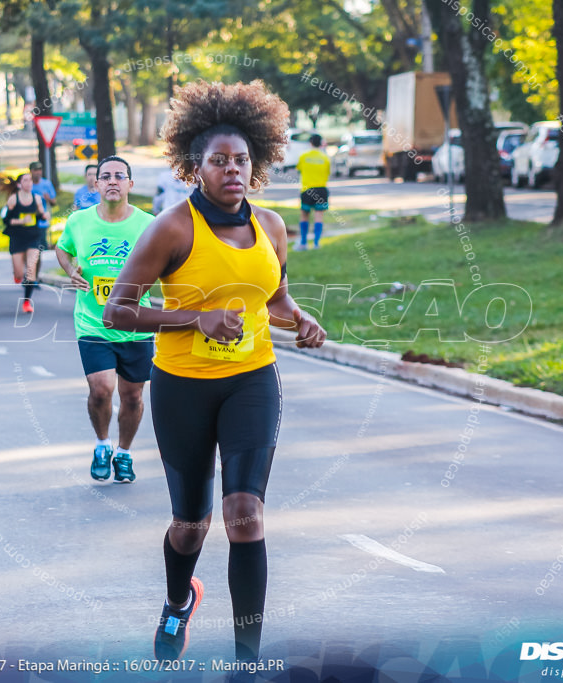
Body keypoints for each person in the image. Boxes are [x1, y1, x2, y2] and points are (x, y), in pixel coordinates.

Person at [102, 81, 326, 663]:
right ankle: (179, 602)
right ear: (194, 167)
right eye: (219, 161)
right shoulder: (172, 229)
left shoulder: (272, 227)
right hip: (182, 388)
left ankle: (246, 660)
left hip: (253, 379)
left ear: (257, 163)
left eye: (241, 160)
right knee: (192, 525)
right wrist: (194, 319)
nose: (232, 169)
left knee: (244, 516)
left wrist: (299, 320)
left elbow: (273, 299)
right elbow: (118, 310)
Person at [55, 156, 155, 485]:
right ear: (96, 184)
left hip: (136, 325)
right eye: (105, 177)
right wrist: (71, 271)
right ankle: (102, 444)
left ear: (130, 184)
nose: (112, 181)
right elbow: (63, 249)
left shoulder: (148, 224)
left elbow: (165, 261)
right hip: (92, 322)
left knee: (133, 397)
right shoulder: (79, 222)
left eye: (119, 176)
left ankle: (124, 452)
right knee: (101, 390)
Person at [1, 173, 48, 314]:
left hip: (33, 237)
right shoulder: (13, 200)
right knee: (19, 273)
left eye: (30, 181)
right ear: (19, 184)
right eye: (25, 181)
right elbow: (6, 221)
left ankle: (27, 302)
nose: (28, 183)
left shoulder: (37, 199)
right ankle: (17, 275)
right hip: (17, 237)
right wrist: (21, 221)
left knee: (31, 269)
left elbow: (41, 215)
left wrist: (45, 215)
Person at [295, 133, 330, 250]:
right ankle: (316, 243)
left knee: (304, 215)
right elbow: (327, 173)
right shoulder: (325, 157)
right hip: (321, 189)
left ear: (310, 142)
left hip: (307, 189)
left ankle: (303, 243)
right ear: (321, 143)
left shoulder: (303, 156)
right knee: (318, 216)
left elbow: (299, 169)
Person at [29, 161, 58, 240]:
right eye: (36, 170)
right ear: (31, 171)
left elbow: (54, 202)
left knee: (42, 244)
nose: (38, 172)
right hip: (29, 219)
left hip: (42, 220)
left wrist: (48, 198)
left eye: (40, 170)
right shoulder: (28, 184)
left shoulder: (47, 184)